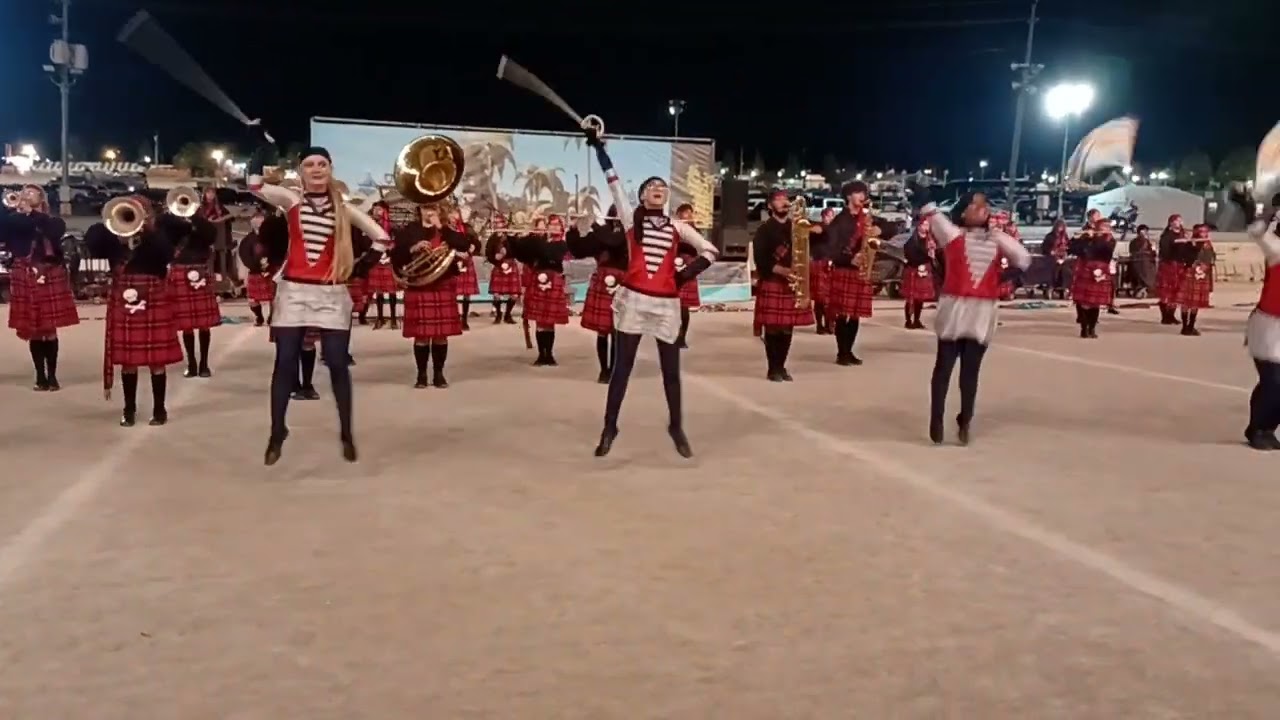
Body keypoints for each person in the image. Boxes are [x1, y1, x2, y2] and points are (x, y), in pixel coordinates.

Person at [248, 146, 388, 465]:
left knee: (338, 363)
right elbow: (254, 186)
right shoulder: (292, 199)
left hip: (331, 292)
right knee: (285, 362)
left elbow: (381, 237)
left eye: (321, 164)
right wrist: (259, 146)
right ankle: (276, 431)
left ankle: (347, 432)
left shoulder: (343, 207)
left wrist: (359, 268)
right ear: (301, 170)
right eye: (309, 164)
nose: (315, 169)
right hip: (294, 290)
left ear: (330, 168)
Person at [586, 130, 717, 457]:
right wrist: (600, 148)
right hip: (633, 300)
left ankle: (676, 426)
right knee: (622, 369)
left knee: (671, 372)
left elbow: (710, 250)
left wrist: (683, 276)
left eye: (662, 188)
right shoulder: (632, 219)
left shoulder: (677, 226)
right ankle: (609, 427)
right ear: (643, 196)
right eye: (652, 188)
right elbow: (613, 180)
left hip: (667, 305)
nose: (658, 190)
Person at [923, 192, 1031, 445]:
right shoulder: (951, 234)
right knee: (944, 367)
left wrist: (1002, 274)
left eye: (985, 204)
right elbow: (930, 211)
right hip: (956, 307)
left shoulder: (995, 238)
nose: (983, 209)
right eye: (976, 205)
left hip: (982, 309)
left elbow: (1024, 259)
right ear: (963, 212)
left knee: (970, 371)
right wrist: (926, 195)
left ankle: (965, 418)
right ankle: (936, 418)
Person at [86, 204, 184, 426]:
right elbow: (93, 244)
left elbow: (167, 254)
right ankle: (128, 409)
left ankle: (160, 409)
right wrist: (112, 228)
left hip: (152, 294)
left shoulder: (157, 237)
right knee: (127, 360)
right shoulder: (114, 239)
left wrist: (149, 230)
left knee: (156, 360)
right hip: (124, 295)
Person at [0, 185, 77, 390]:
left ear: (42, 198)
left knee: (49, 328)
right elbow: (3, 229)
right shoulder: (15, 221)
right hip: (24, 271)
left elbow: (54, 231)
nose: (25, 194)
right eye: (23, 191)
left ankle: (52, 376)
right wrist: (7, 207)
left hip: (49, 272)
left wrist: (32, 213)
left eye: (31, 192)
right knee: (34, 329)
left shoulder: (52, 221)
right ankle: (40, 376)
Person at [392, 202, 470, 388]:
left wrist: (440, 227)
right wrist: (413, 248)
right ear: (419, 210)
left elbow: (464, 243)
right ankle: (421, 375)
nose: (429, 212)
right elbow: (396, 255)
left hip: (442, 285)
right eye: (426, 208)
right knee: (421, 335)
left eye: (433, 208)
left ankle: (438, 374)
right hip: (419, 285)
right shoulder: (409, 230)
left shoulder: (445, 231)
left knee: (441, 335)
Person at [751, 189, 814, 381]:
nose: (784, 203)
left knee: (787, 327)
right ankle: (773, 368)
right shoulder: (764, 229)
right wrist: (784, 271)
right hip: (773, 280)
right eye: (778, 200)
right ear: (770, 206)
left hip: (793, 282)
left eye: (786, 199)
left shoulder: (795, 226)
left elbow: (806, 248)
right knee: (773, 328)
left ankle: (782, 366)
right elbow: (761, 260)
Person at [1236, 190, 1280, 449]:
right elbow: (1258, 234)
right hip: (1269, 326)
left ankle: (1268, 427)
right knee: (1274, 382)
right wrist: (1249, 208)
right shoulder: (1277, 249)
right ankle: (1257, 428)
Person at [567, 205, 627, 383]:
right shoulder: (602, 233)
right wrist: (573, 229)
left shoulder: (628, 233)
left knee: (618, 330)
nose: (618, 218)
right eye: (615, 215)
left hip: (624, 282)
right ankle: (604, 370)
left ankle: (615, 371)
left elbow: (614, 241)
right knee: (602, 331)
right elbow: (579, 250)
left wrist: (594, 224)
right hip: (603, 280)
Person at [823, 181, 880, 365]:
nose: (862, 196)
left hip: (860, 271)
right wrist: (849, 259)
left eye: (863, 192)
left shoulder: (866, 218)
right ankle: (842, 352)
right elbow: (830, 250)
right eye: (857, 193)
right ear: (848, 196)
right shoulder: (840, 221)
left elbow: (891, 227)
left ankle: (850, 351)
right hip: (844, 269)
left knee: (855, 315)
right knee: (843, 314)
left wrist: (879, 229)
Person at [509, 213, 571, 366]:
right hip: (538, 278)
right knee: (540, 321)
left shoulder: (562, 244)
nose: (554, 227)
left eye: (558, 224)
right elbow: (523, 255)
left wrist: (535, 239)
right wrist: (515, 237)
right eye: (552, 224)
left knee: (549, 322)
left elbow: (549, 253)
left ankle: (549, 354)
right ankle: (541, 355)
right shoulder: (539, 240)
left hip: (553, 278)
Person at [167, 210, 221, 378]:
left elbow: (211, 235)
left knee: (204, 324)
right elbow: (165, 238)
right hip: (180, 270)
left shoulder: (201, 224)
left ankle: (204, 364)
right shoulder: (173, 224)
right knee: (186, 325)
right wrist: (176, 220)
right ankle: (191, 363)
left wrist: (195, 218)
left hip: (199, 268)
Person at [1069, 218, 1117, 339]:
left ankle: (1092, 328)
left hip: (1100, 269)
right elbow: (1074, 250)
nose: (1106, 228)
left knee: (1095, 303)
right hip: (1086, 269)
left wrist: (1094, 239)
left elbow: (1104, 251)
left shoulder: (1110, 240)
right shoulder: (1088, 238)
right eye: (1104, 226)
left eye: (1108, 226)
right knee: (1083, 301)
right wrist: (1082, 238)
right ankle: (1084, 328)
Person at [1172, 223, 1214, 336]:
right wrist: (1193, 247)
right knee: (1186, 302)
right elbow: (1183, 256)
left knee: (1195, 303)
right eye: (1202, 232)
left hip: (1201, 274)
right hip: (1190, 272)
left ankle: (1191, 327)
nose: (1205, 234)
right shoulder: (1190, 244)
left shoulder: (1208, 244)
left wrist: (1206, 264)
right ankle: (1185, 327)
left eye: (1206, 232)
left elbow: (1211, 258)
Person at [365, 200, 401, 330]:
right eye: (375, 209)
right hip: (375, 259)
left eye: (379, 209)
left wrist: (391, 248)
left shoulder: (392, 226)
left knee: (392, 291)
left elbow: (397, 241)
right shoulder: (369, 224)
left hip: (388, 259)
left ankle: (393, 319)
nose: (377, 212)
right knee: (378, 291)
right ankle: (379, 318)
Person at [238, 211, 277, 327]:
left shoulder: (272, 237)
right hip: (254, 272)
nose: (258, 221)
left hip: (270, 271)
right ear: (251, 222)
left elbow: (277, 251)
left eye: (261, 218)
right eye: (256, 218)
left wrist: (269, 265)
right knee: (253, 299)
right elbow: (244, 255)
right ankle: (259, 316)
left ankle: (272, 317)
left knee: (273, 297)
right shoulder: (247, 240)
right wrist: (255, 266)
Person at [900, 214, 938, 330]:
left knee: (920, 298)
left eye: (928, 225)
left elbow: (933, 255)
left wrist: (932, 254)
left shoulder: (930, 240)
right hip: (913, 269)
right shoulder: (912, 240)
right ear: (919, 226)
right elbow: (910, 254)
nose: (926, 227)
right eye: (924, 224)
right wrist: (926, 257)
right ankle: (908, 320)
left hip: (924, 270)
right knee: (911, 298)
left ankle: (917, 320)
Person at [448, 206, 482, 331]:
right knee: (453, 292)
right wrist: (456, 253)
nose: (453, 217)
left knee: (466, 294)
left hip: (467, 260)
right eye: (451, 215)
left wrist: (472, 248)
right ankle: (454, 317)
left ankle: (465, 320)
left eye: (455, 214)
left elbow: (477, 242)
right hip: (452, 261)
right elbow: (444, 244)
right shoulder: (447, 230)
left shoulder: (467, 228)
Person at [483, 212, 521, 325]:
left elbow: (517, 250)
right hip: (498, 266)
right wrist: (496, 259)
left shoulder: (510, 237)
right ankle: (498, 315)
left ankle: (508, 315)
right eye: (496, 223)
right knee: (496, 293)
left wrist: (510, 245)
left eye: (500, 223)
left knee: (514, 294)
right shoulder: (492, 238)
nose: (498, 225)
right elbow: (488, 254)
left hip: (511, 264)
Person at [673, 203, 702, 349]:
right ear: (679, 215)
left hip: (689, 267)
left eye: (691, 213)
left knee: (684, 307)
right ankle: (671, 335)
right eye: (686, 213)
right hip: (674, 267)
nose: (689, 215)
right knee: (673, 306)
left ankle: (682, 336)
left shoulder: (695, 231)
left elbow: (698, 249)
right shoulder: (673, 230)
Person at [198, 185, 236, 286]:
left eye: (212, 193)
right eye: (208, 193)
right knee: (209, 259)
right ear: (204, 194)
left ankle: (222, 281)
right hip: (206, 238)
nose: (210, 195)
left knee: (221, 259)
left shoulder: (219, 206)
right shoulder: (201, 207)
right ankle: (208, 279)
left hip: (220, 238)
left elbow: (230, 217)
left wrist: (221, 219)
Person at [809, 207, 836, 334]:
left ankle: (830, 324)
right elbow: (818, 230)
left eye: (832, 216)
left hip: (832, 265)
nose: (831, 218)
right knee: (820, 299)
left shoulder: (835, 231)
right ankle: (820, 325)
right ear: (823, 216)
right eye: (829, 216)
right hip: (819, 263)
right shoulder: (819, 228)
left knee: (831, 299)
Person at [1156, 215, 1186, 325]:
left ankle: (1171, 315)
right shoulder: (1167, 236)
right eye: (1177, 220)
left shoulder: (1183, 234)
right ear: (1171, 222)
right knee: (1166, 292)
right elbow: (1164, 251)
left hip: (1179, 265)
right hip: (1168, 265)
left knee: (1176, 292)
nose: (1179, 222)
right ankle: (1165, 317)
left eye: (1180, 220)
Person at [1039, 219, 1071, 299]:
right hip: (1052, 258)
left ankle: (1063, 287)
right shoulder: (1050, 236)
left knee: (1065, 269)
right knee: (1054, 268)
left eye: (1062, 227)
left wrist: (1066, 252)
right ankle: (1053, 286)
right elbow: (1044, 248)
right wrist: (1050, 251)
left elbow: (1069, 246)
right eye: (1059, 227)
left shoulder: (1065, 237)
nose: (1060, 229)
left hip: (1063, 257)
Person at [1126, 224, 1157, 298]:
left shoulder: (1149, 242)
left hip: (1148, 262)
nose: (1145, 233)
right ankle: (1141, 286)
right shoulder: (1134, 242)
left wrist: (1152, 250)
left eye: (1146, 231)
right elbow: (1133, 252)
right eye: (1143, 231)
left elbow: (1153, 252)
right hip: (1137, 262)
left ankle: (1147, 287)